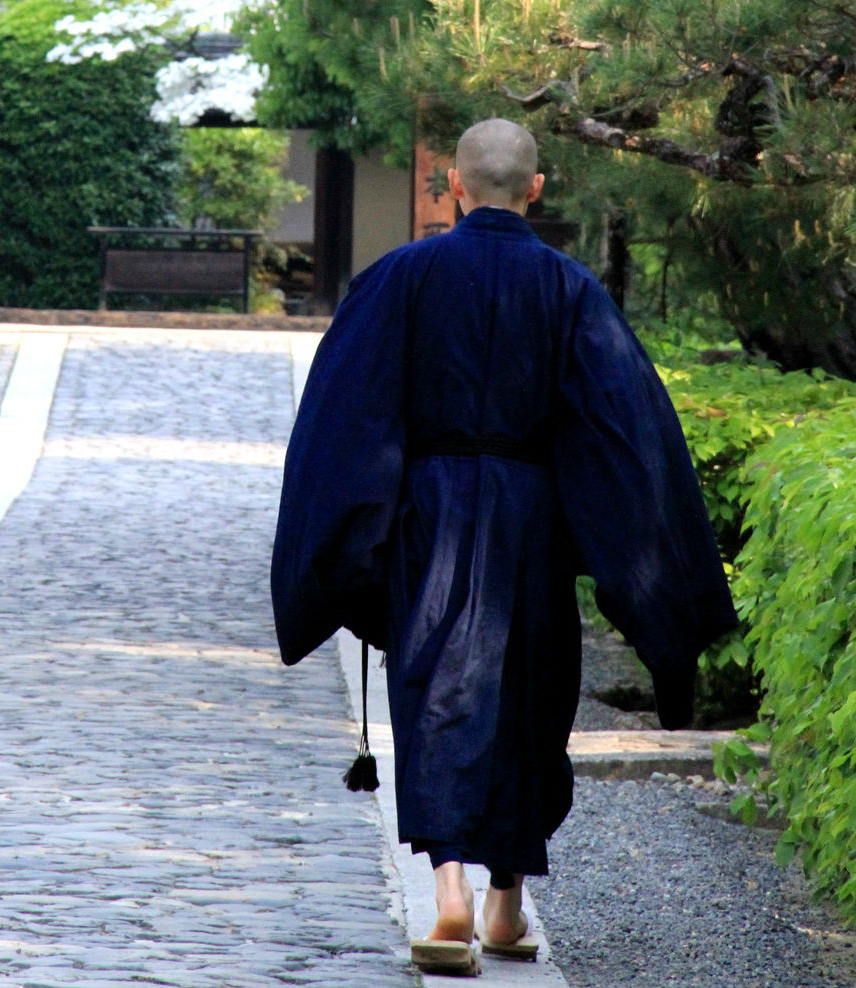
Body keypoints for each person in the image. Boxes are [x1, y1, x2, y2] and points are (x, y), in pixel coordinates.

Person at [270, 118, 737, 976]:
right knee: (527, 698)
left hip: (429, 515)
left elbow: (345, 418)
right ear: (535, 188)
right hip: (530, 519)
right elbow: (623, 432)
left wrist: (348, 550)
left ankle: (446, 891)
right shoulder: (568, 289)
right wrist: (646, 574)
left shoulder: (398, 278)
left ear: (451, 186)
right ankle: (504, 904)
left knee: (435, 689)